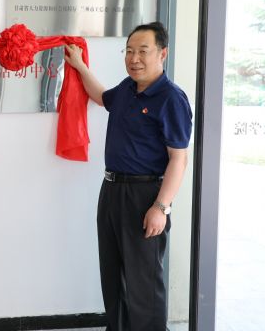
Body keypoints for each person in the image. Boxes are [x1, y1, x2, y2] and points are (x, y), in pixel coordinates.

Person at [64, 22, 192, 331]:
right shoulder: (127, 88)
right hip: (111, 191)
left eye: (143, 51)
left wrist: (161, 207)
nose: (134, 59)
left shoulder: (171, 98)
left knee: (143, 282)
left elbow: (179, 159)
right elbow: (101, 97)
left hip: (145, 196)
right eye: (130, 51)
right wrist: (79, 65)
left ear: (162, 53)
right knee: (113, 275)